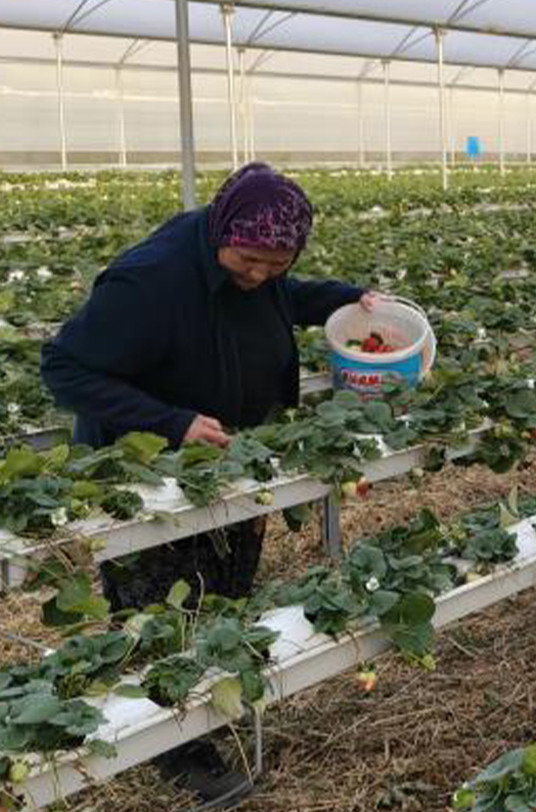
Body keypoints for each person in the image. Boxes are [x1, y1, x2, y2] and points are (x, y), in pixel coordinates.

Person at [40, 162, 376, 804]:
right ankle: (177, 747)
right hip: (150, 475)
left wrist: (351, 297)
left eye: (274, 264)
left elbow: (287, 294)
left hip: (228, 460)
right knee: (159, 612)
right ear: (224, 229)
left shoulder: (259, 266)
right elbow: (63, 367)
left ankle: (209, 705)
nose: (257, 275)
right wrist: (171, 421)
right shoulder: (150, 282)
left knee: (221, 596)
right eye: (248, 259)